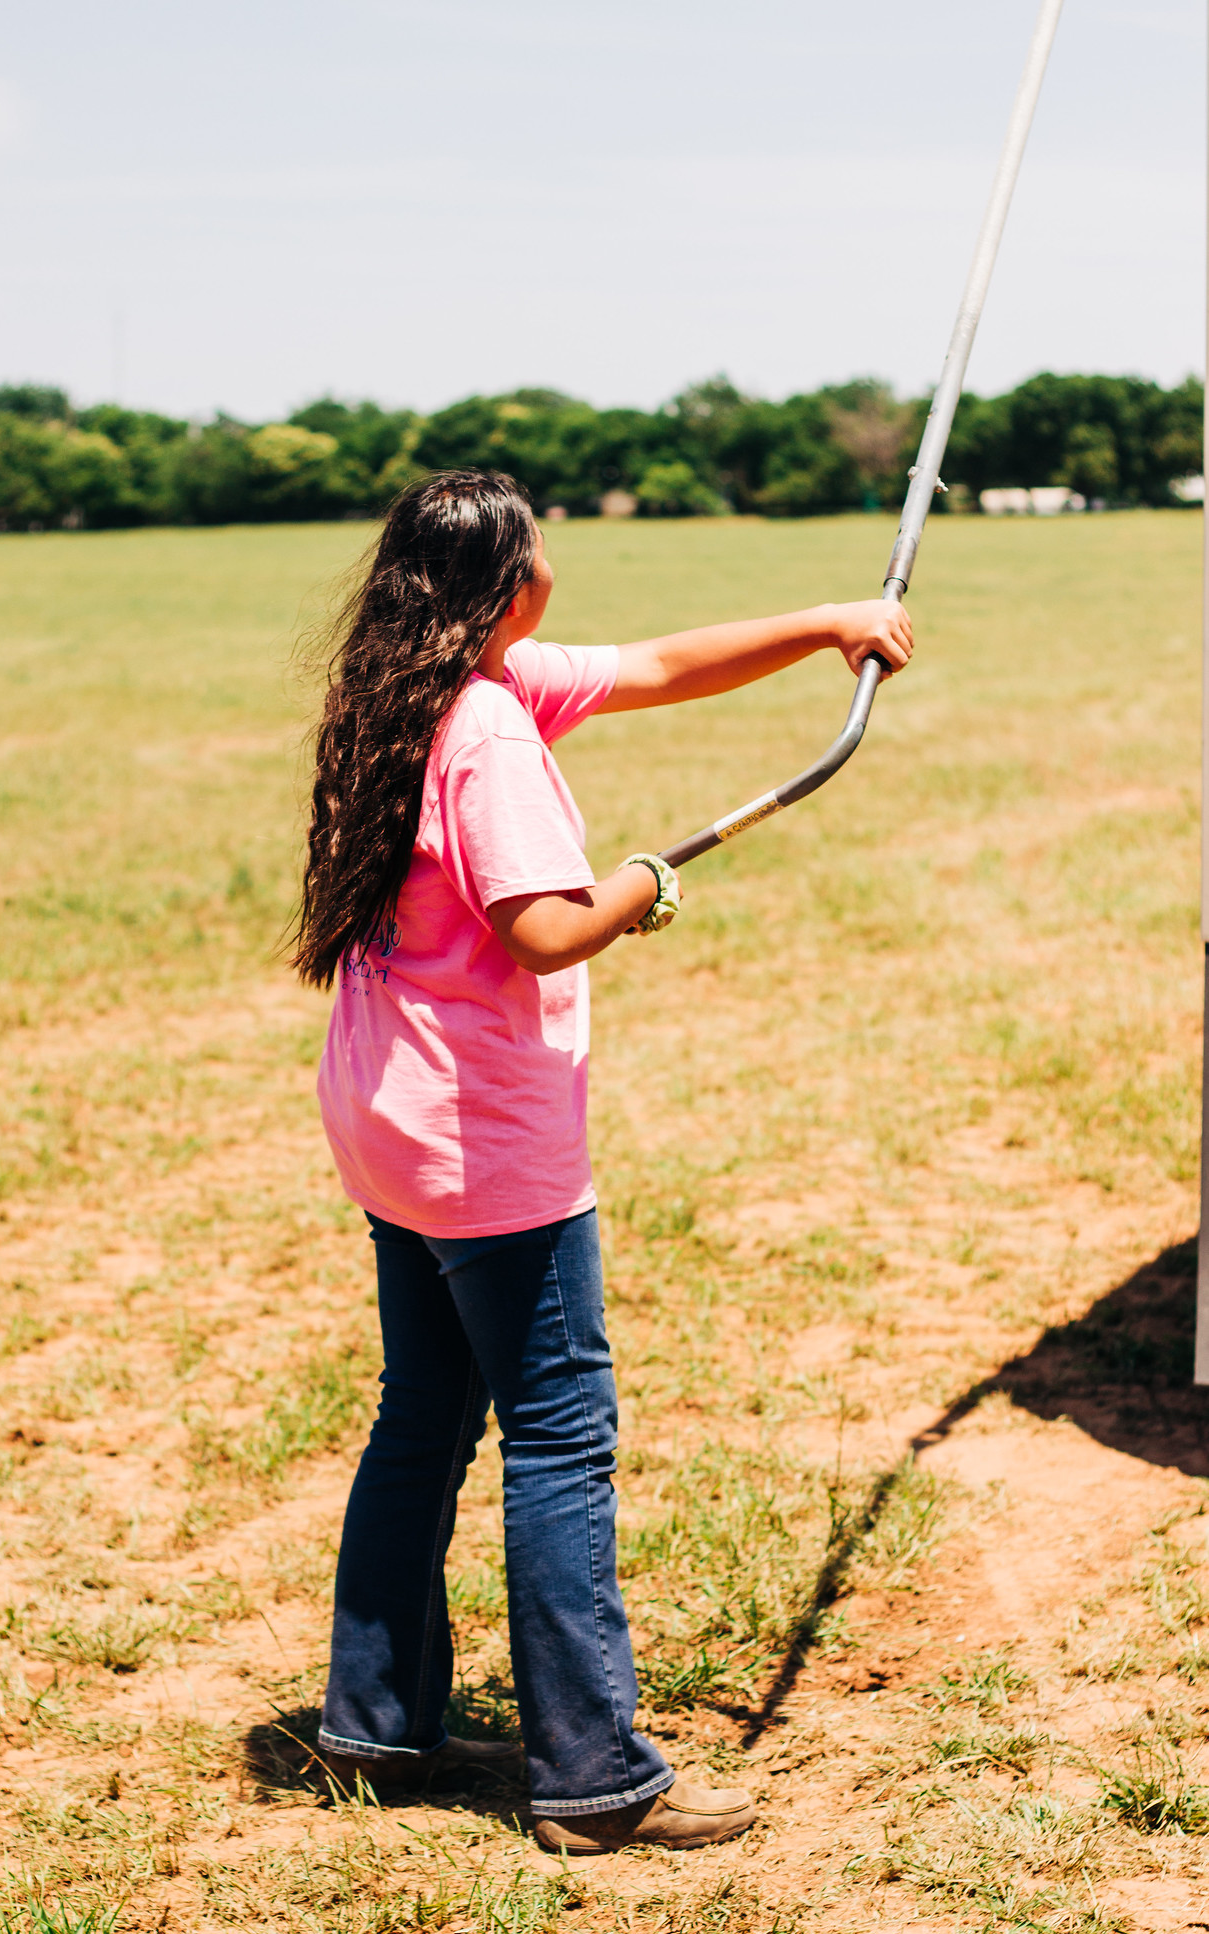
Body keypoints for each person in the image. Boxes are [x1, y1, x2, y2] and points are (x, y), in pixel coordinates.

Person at [292, 469, 912, 1853]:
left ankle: (377, 1724)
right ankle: (591, 1777)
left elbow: (654, 665)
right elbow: (542, 929)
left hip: (392, 1126)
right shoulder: (490, 731)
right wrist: (642, 880)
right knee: (559, 1443)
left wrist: (829, 622)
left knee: (421, 1418)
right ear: (511, 584)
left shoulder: (407, 685)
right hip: (484, 1145)